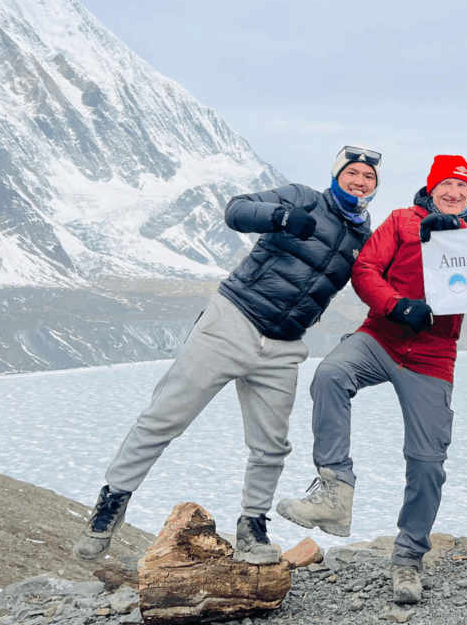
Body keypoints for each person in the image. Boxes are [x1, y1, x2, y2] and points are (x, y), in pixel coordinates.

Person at [71, 145, 380, 564]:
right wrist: (281, 217)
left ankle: (252, 525)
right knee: (164, 416)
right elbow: (236, 210)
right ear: (337, 175)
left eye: (369, 178)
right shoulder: (302, 197)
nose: (360, 181)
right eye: (353, 173)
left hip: (285, 346)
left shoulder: (364, 237)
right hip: (231, 320)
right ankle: (112, 502)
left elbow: (388, 273)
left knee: (271, 447)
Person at [275, 155, 467, 604]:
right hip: (380, 337)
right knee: (329, 374)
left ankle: (407, 559)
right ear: (431, 188)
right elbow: (365, 269)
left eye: (461, 188)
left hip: (431, 356)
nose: (453, 192)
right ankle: (335, 490)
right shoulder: (402, 220)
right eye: (445, 184)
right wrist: (395, 304)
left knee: (427, 461)